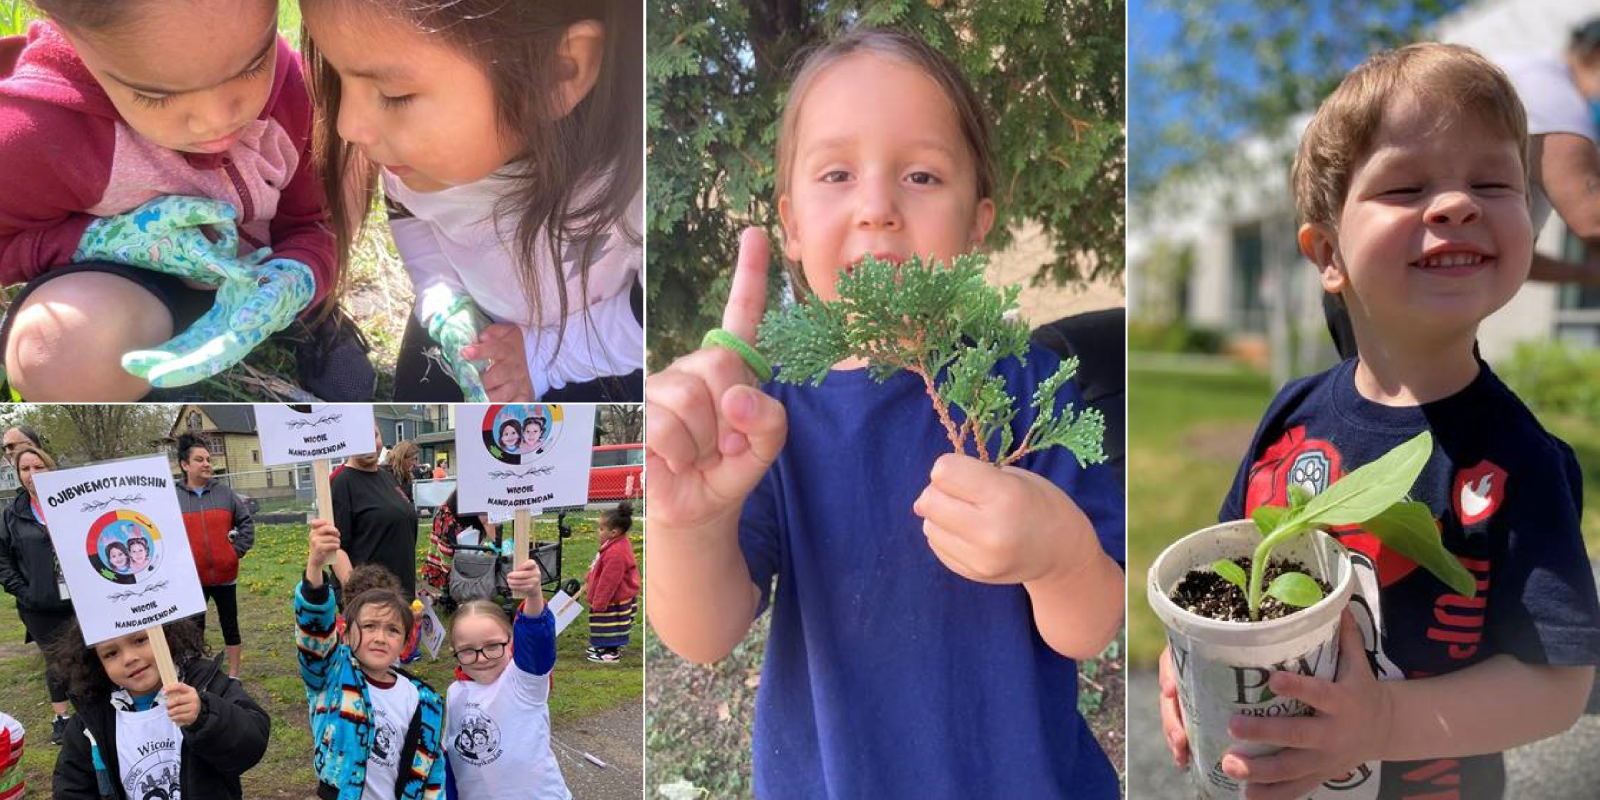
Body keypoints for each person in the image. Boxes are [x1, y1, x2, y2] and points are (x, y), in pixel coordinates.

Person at [644, 28, 1125, 797]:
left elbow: (1092, 621)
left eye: (923, 175)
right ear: (792, 224)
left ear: (977, 225)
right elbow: (702, 635)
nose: (877, 208)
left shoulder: (1031, 391)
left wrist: (1060, 557)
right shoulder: (761, 417)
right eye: (836, 172)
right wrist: (688, 519)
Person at [1158, 44, 1600, 799]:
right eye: (1406, 185)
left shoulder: (1520, 457)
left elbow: (1558, 684)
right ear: (1327, 252)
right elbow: (1226, 566)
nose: (1456, 204)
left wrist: (1384, 719)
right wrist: (1182, 659)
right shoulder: (1292, 415)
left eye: (1495, 182)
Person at [299, 0, 643, 402]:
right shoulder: (412, 159)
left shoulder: (631, 189)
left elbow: (642, 316)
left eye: (394, 95)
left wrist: (543, 358)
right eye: (340, 79)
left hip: (598, 357)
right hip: (471, 331)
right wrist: (442, 295)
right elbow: (410, 214)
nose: (347, 126)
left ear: (559, 71)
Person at [0, 0, 341, 400]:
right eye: (156, 94)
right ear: (71, 34)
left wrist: (296, 279)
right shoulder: (36, 132)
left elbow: (316, 224)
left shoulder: (300, 91)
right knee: (52, 353)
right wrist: (106, 240)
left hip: (262, 276)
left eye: (252, 66)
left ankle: (310, 319)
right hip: (127, 292)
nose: (217, 119)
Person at [296, 517, 445, 800]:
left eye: (392, 629)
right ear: (347, 633)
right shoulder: (332, 675)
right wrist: (315, 567)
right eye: (369, 626)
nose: (379, 637)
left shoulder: (424, 700)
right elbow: (313, 634)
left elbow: (432, 774)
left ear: (404, 641)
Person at [47, 618, 271, 799]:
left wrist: (204, 716)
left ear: (167, 635)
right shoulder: (92, 718)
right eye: (111, 653)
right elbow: (72, 786)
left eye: (140, 640)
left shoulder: (204, 684)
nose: (129, 658)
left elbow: (251, 744)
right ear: (96, 663)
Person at [443, 559, 570, 799]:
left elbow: (535, 640)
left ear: (511, 641)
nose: (481, 658)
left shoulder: (523, 681)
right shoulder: (455, 693)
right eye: (468, 650)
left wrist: (533, 596)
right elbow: (452, 754)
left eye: (493, 646)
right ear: (455, 653)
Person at [0, 445, 72, 743]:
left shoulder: (72, 503)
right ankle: (62, 718)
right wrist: (25, 592)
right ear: (18, 475)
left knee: (89, 655)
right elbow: (3, 561)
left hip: (80, 599)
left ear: (50, 468)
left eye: (38, 467)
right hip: (39, 606)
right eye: (25, 469)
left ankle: (96, 710)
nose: (32, 475)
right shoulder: (12, 515)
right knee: (56, 661)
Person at [174, 433, 255, 678]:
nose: (207, 463)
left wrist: (234, 552)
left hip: (225, 576)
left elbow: (246, 525)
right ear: (185, 465)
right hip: (192, 579)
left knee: (230, 626)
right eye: (200, 459)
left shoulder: (225, 494)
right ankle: (195, 673)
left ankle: (233, 675)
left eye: (208, 459)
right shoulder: (172, 498)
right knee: (192, 629)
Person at [332, 426, 420, 597]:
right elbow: (336, 549)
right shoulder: (342, 482)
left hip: (402, 592)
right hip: (371, 599)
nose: (368, 443)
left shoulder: (387, 476)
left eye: (374, 436)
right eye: (359, 437)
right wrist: (356, 596)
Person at [582, 502, 639, 663]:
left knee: (611, 625)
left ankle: (611, 651)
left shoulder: (616, 553)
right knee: (604, 625)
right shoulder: (613, 544)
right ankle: (603, 646)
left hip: (615, 598)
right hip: (614, 596)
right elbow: (599, 565)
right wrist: (590, 577)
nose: (597, 532)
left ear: (613, 532)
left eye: (601, 529)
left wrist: (599, 602)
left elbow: (609, 581)